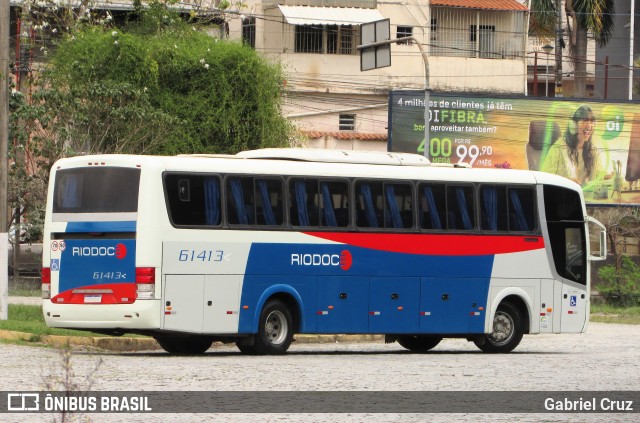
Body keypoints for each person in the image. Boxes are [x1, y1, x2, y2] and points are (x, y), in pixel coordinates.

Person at [541, 104, 603, 186]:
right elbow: (544, 178)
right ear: (573, 125)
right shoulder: (559, 148)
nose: (589, 126)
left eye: (591, 121)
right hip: (563, 194)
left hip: (585, 196)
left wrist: (606, 175)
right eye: (584, 120)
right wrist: (566, 182)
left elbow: (599, 174)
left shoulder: (593, 150)